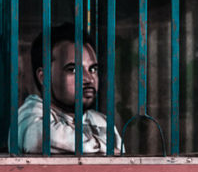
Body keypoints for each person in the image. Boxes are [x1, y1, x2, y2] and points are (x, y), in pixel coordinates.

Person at [18, 23, 123, 154]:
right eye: (73, 70)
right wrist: (104, 147)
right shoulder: (29, 114)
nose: (89, 78)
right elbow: (37, 138)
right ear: (44, 77)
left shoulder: (101, 121)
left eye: (93, 69)